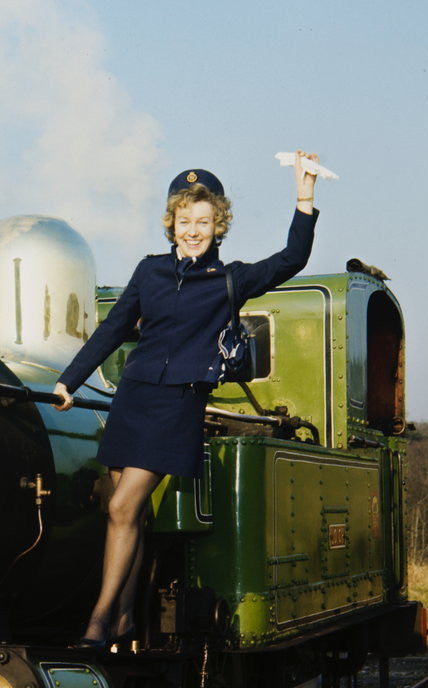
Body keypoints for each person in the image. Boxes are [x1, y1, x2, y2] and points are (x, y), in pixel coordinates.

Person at [52, 153, 320, 648]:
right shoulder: (149, 271)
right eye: (184, 221)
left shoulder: (230, 279)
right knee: (128, 512)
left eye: (204, 222)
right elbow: (112, 329)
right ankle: (128, 620)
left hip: (178, 405)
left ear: (219, 226)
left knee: (122, 509)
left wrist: (304, 197)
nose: (193, 230)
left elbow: (292, 259)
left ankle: (99, 621)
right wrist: (71, 380)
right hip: (134, 397)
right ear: (171, 223)